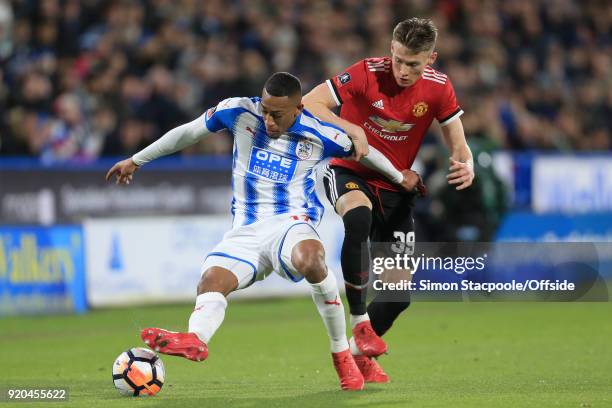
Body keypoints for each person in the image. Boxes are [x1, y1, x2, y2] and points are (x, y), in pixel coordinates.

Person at [106, 72, 423, 391]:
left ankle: (341, 353)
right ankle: (196, 338)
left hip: (292, 223)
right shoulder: (238, 110)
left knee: (312, 260)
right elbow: (188, 133)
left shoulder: (322, 133)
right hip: (246, 230)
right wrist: (137, 160)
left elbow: (364, 150)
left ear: (298, 108)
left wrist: (398, 177)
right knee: (211, 281)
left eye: (277, 114)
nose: (268, 119)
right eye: (265, 111)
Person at [303, 17, 475, 382]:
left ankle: (354, 354)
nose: (402, 70)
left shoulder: (439, 88)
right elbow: (310, 101)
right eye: (397, 59)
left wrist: (465, 160)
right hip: (349, 172)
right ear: (391, 50)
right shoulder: (365, 72)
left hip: (397, 187)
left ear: (431, 59)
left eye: (413, 63)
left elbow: (457, 139)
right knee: (357, 220)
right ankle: (359, 320)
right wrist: (347, 127)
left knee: (398, 297)